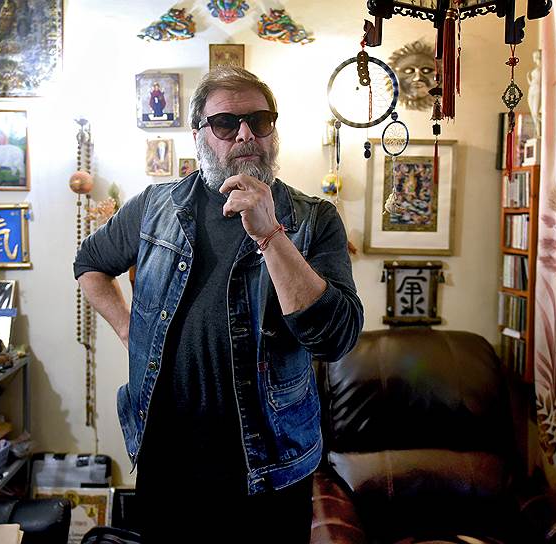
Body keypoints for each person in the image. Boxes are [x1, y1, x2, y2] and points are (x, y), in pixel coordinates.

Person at [74, 67, 363, 542]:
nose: (246, 134)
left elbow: (336, 338)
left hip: (270, 469)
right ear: (198, 136)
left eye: (259, 121)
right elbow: (89, 263)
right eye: (226, 123)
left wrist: (271, 235)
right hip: (166, 461)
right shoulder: (155, 208)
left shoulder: (314, 220)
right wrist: (130, 332)